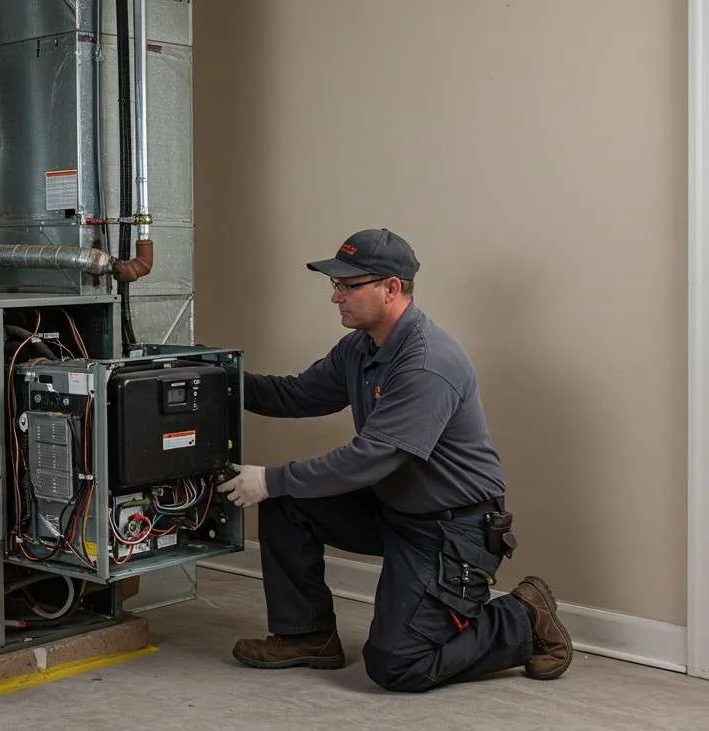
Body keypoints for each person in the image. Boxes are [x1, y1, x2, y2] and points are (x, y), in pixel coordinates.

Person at [217, 227, 572, 692]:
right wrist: (211, 375)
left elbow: (372, 458)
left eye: (348, 286)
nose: (335, 297)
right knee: (289, 502)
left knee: (398, 665)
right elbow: (296, 394)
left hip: (450, 529)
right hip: (395, 506)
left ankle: (524, 615)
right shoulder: (362, 347)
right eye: (335, 286)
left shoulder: (427, 362)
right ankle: (306, 636)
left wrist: (272, 478)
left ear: (391, 288)